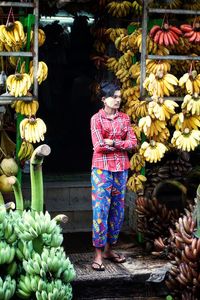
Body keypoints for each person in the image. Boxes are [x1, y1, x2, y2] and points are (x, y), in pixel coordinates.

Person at [90, 81, 137, 271]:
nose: (118, 100)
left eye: (119, 97)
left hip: (121, 169)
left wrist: (114, 142)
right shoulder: (96, 119)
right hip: (101, 169)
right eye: (114, 97)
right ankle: (98, 255)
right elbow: (98, 146)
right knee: (100, 210)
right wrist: (120, 143)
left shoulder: (125, 119)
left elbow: (133, 142)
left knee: (117, 211)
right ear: (104, 99)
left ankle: (110, 249)